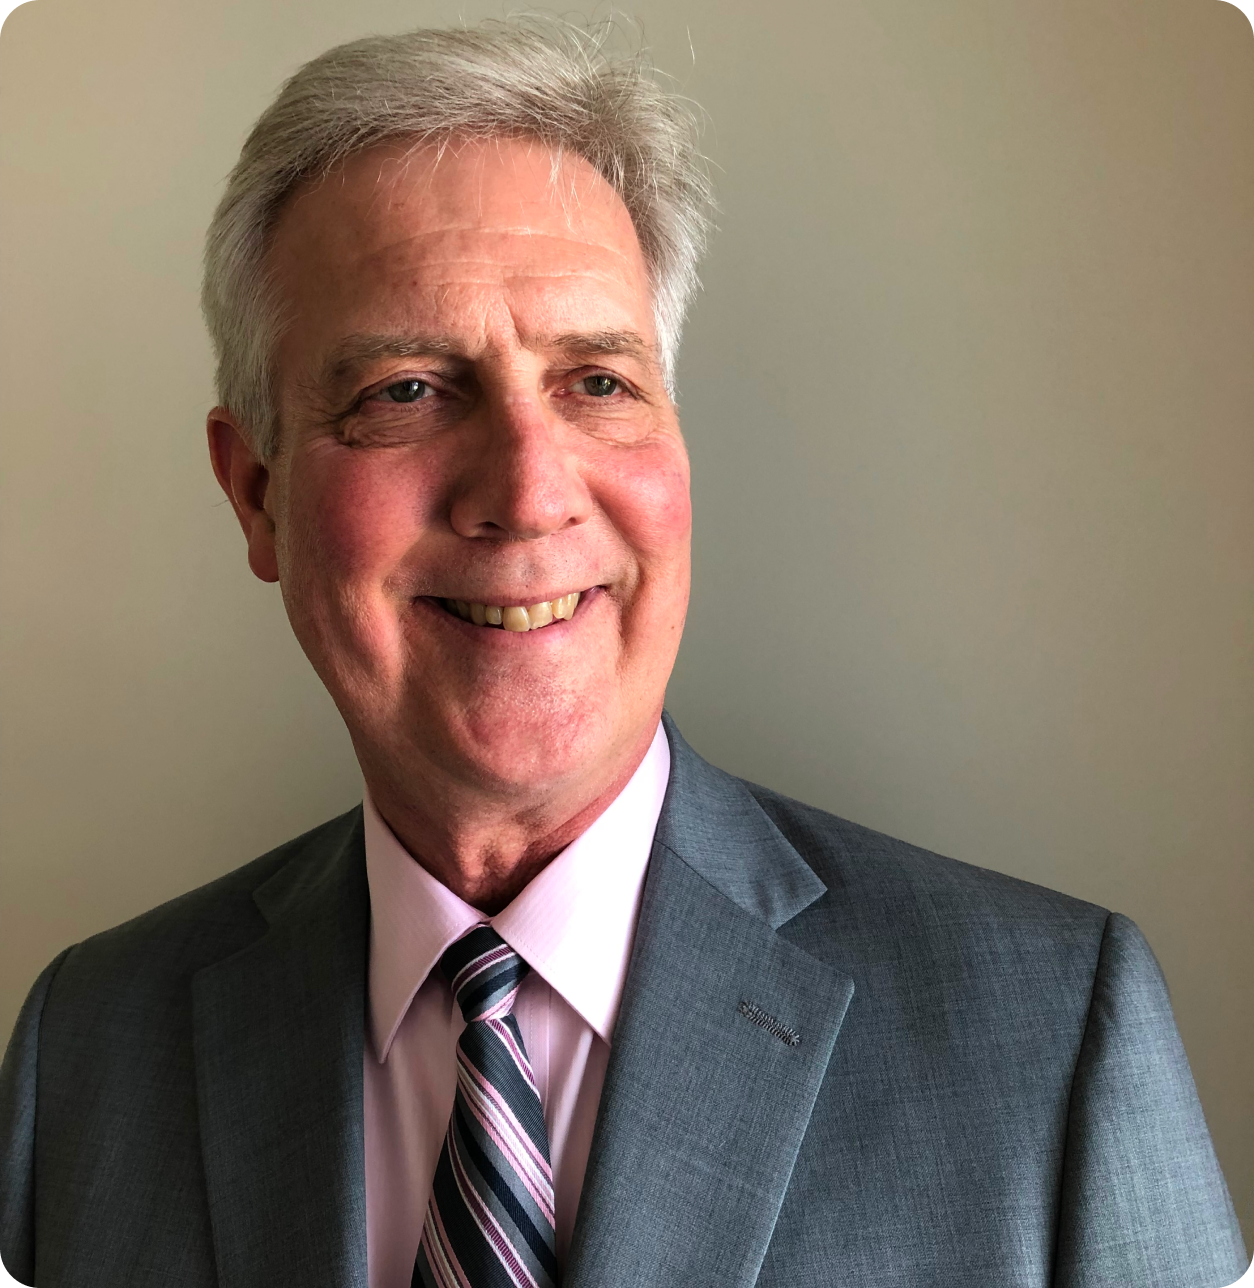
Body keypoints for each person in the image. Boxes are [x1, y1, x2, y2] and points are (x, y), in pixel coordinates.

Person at [0, 19, 1246, 1288]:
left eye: (598, 381)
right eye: (408, 391)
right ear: (256, 491)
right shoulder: (91, 1046)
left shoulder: (1050, 1036)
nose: (532, 493)